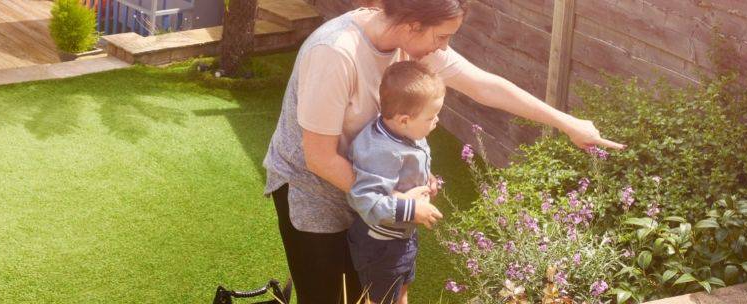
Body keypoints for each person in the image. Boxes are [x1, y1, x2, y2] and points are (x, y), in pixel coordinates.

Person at [262, 1, 625, 303]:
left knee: (373, 291)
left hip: (369, 184)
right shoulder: (336, 53)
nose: (443, 47)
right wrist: (396, 202)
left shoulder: (414, 44)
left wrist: (567, 123)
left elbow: (484, 86)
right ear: (412, 24)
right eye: (442, 37)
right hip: (312, 192)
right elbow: (320, 158)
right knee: (330, 296)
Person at [346, 60, 445, 304]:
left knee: (401, 288)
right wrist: (412, 209)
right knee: (381, 298)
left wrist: (428, 179)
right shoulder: (379, 152)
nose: (436, 121)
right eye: (431, 117)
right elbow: (366, 200)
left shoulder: (405, 132)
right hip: (380, 244)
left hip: (401, 235)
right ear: (404, 120)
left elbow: (412, 164)